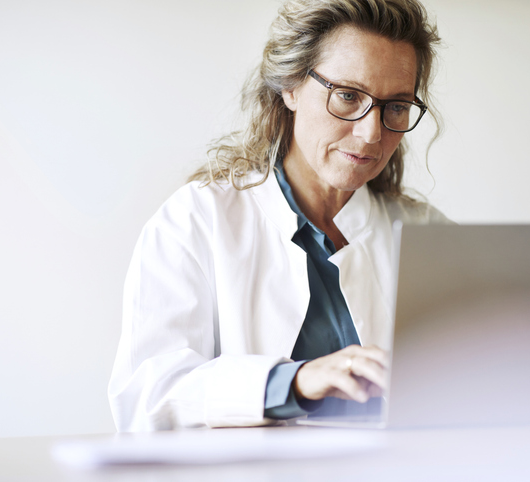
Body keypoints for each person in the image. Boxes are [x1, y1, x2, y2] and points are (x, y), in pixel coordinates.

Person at [108, 0, 450, 431]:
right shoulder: (196, 220)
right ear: (290, 85)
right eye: (347, 96)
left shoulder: (426, 235)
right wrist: (294, 381)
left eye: (396, 106)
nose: (371, 134)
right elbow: (147, 400)